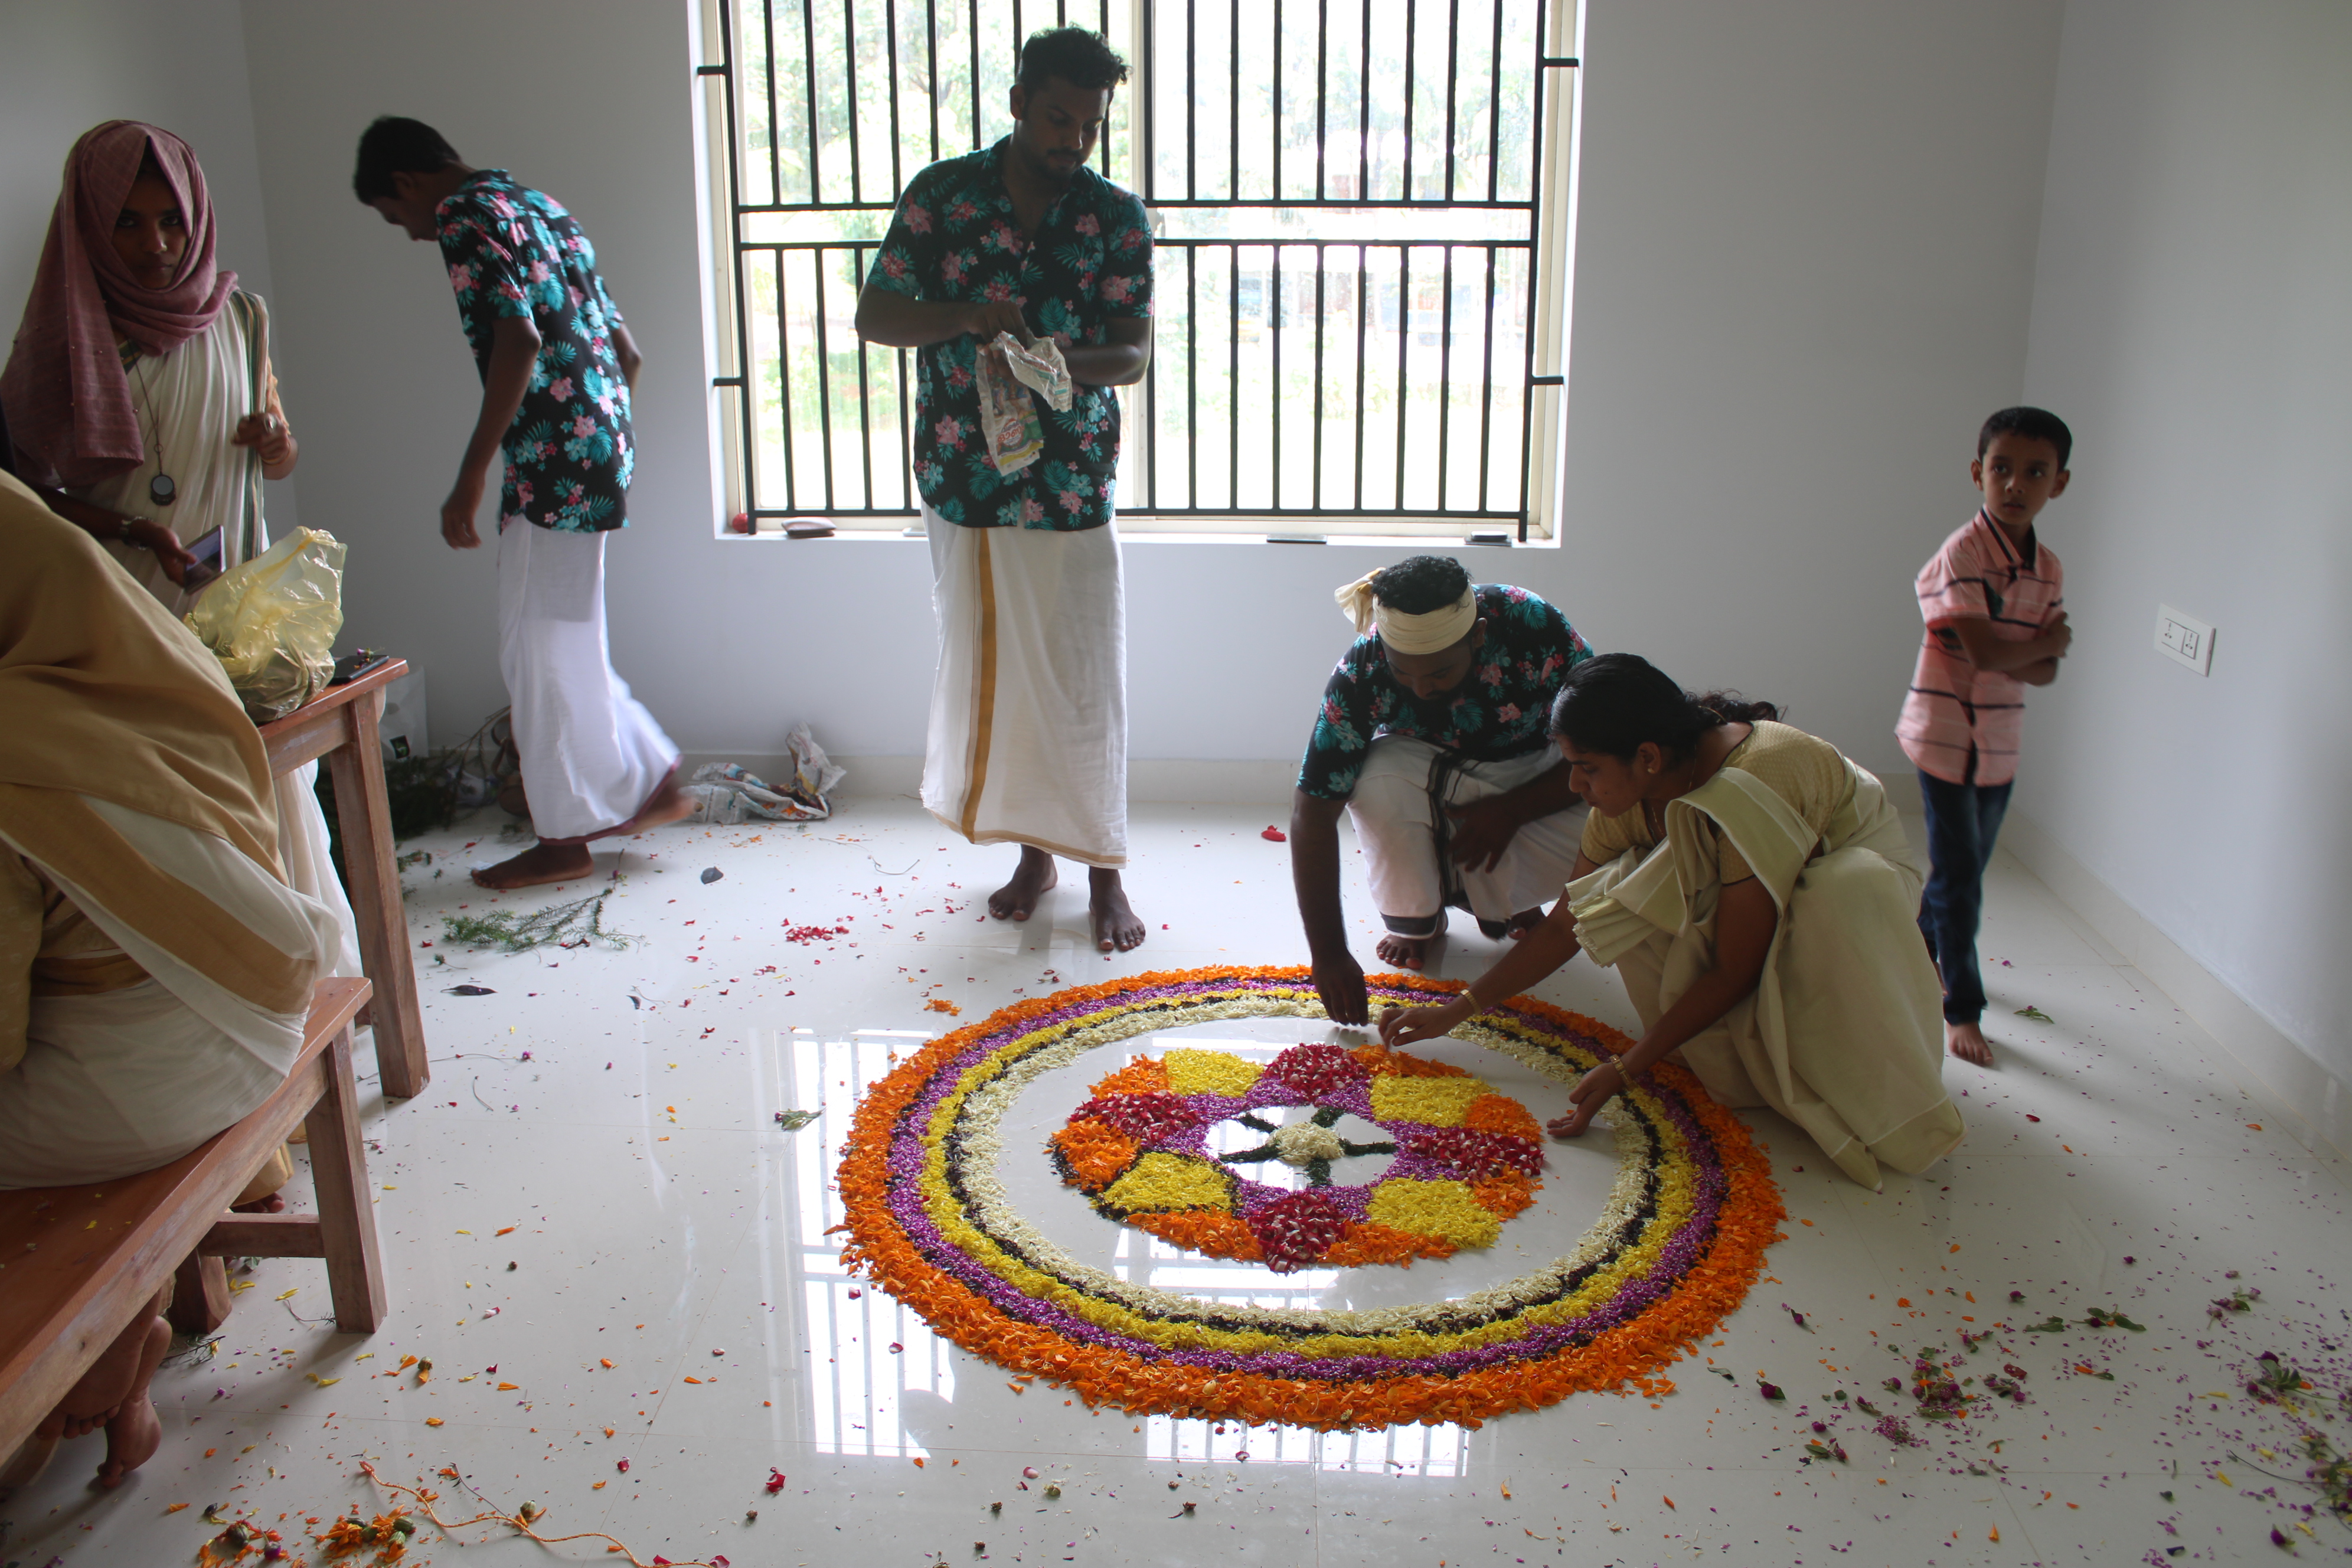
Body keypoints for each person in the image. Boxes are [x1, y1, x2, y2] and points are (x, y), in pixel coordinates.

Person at [0, 471, 341, 1490]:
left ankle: (75, 1361)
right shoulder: (144, 654)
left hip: (153, 1079)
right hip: (268, 1012)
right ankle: (106, 1352)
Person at [0, 119, 364, 1011]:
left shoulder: (239, 316)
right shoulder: (66, 336)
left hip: (236, 615)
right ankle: (227, 1015)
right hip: (121, 618)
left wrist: (275, 440)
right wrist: (129, 535)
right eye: (129, 223)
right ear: (88, 223)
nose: (157, 245)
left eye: (171, 220)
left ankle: (316, 992)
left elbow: (275, 458)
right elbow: (25, 497)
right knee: (190, 820)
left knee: (281, 801)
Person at [1381, 654, 1964, 1191]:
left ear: (1650, 758)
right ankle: (1751, 1061)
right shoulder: (1633, 800)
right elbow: (1567, 924)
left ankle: (1865, 1083)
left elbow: (1736, 964)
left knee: (1838, 892)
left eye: (1585, 768)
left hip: (1854, 894)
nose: (1574, 787)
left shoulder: (1756, 778)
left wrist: (1626, 1067)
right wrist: (1457, 1011)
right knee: (1621, 895)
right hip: (1758, 897)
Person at [853, 27, 1154, 953]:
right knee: (1004, 680)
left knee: (1078, 677)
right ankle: (1035, 857)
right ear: (1019, 102)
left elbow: (1131, 355)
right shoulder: (943, 196)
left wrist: (1051, 362)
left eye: (1091, 125)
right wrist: (972, 317)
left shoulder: (1115, 217)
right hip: (966, 479)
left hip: (1066, 485)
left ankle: (1105, 868)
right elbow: (877, 314)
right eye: (1059, 118)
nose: (1074, 140)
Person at [353, 116, 686, 890]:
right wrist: (598, 437)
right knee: (564, 636)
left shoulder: (464, 216)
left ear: (406, 183)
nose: (407, 235)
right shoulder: (542, 207)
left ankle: (565, 838)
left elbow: (521, 338)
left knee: (533, 649)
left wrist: (473, 473)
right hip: (603, 449)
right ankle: (647, 779)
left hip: (549, 461)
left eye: (391, 215)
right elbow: (627, 352)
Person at [1290, 556, 1593, 1024]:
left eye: (1437, 675)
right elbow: (1312, 812)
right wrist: (1328, 954)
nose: (1419, 689)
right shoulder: (1362, 669)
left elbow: (1604, 748)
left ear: (1478, 636)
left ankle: (1514, 899)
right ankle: (1421, 920)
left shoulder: (1532, 622)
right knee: (1377, 777)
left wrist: (1512, 810)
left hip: (1539, 773)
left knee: (1613, 821)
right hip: (1433, 782)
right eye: (1404, 674)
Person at [1896, 407, 2073, 1067]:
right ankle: (1960, 1006)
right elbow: (1992, 654)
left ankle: (1914, 948)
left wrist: (2029, 650)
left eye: (2035, 472)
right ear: (1979, 473)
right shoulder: (1961, 555)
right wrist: (2041, 644)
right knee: (1963, 879)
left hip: (1999, 742)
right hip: (1945, 738)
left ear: (2059, 483)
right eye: (2001, 468)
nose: (2015, 484)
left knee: (1958, 873)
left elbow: (2045, 671)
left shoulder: (2047, 569)